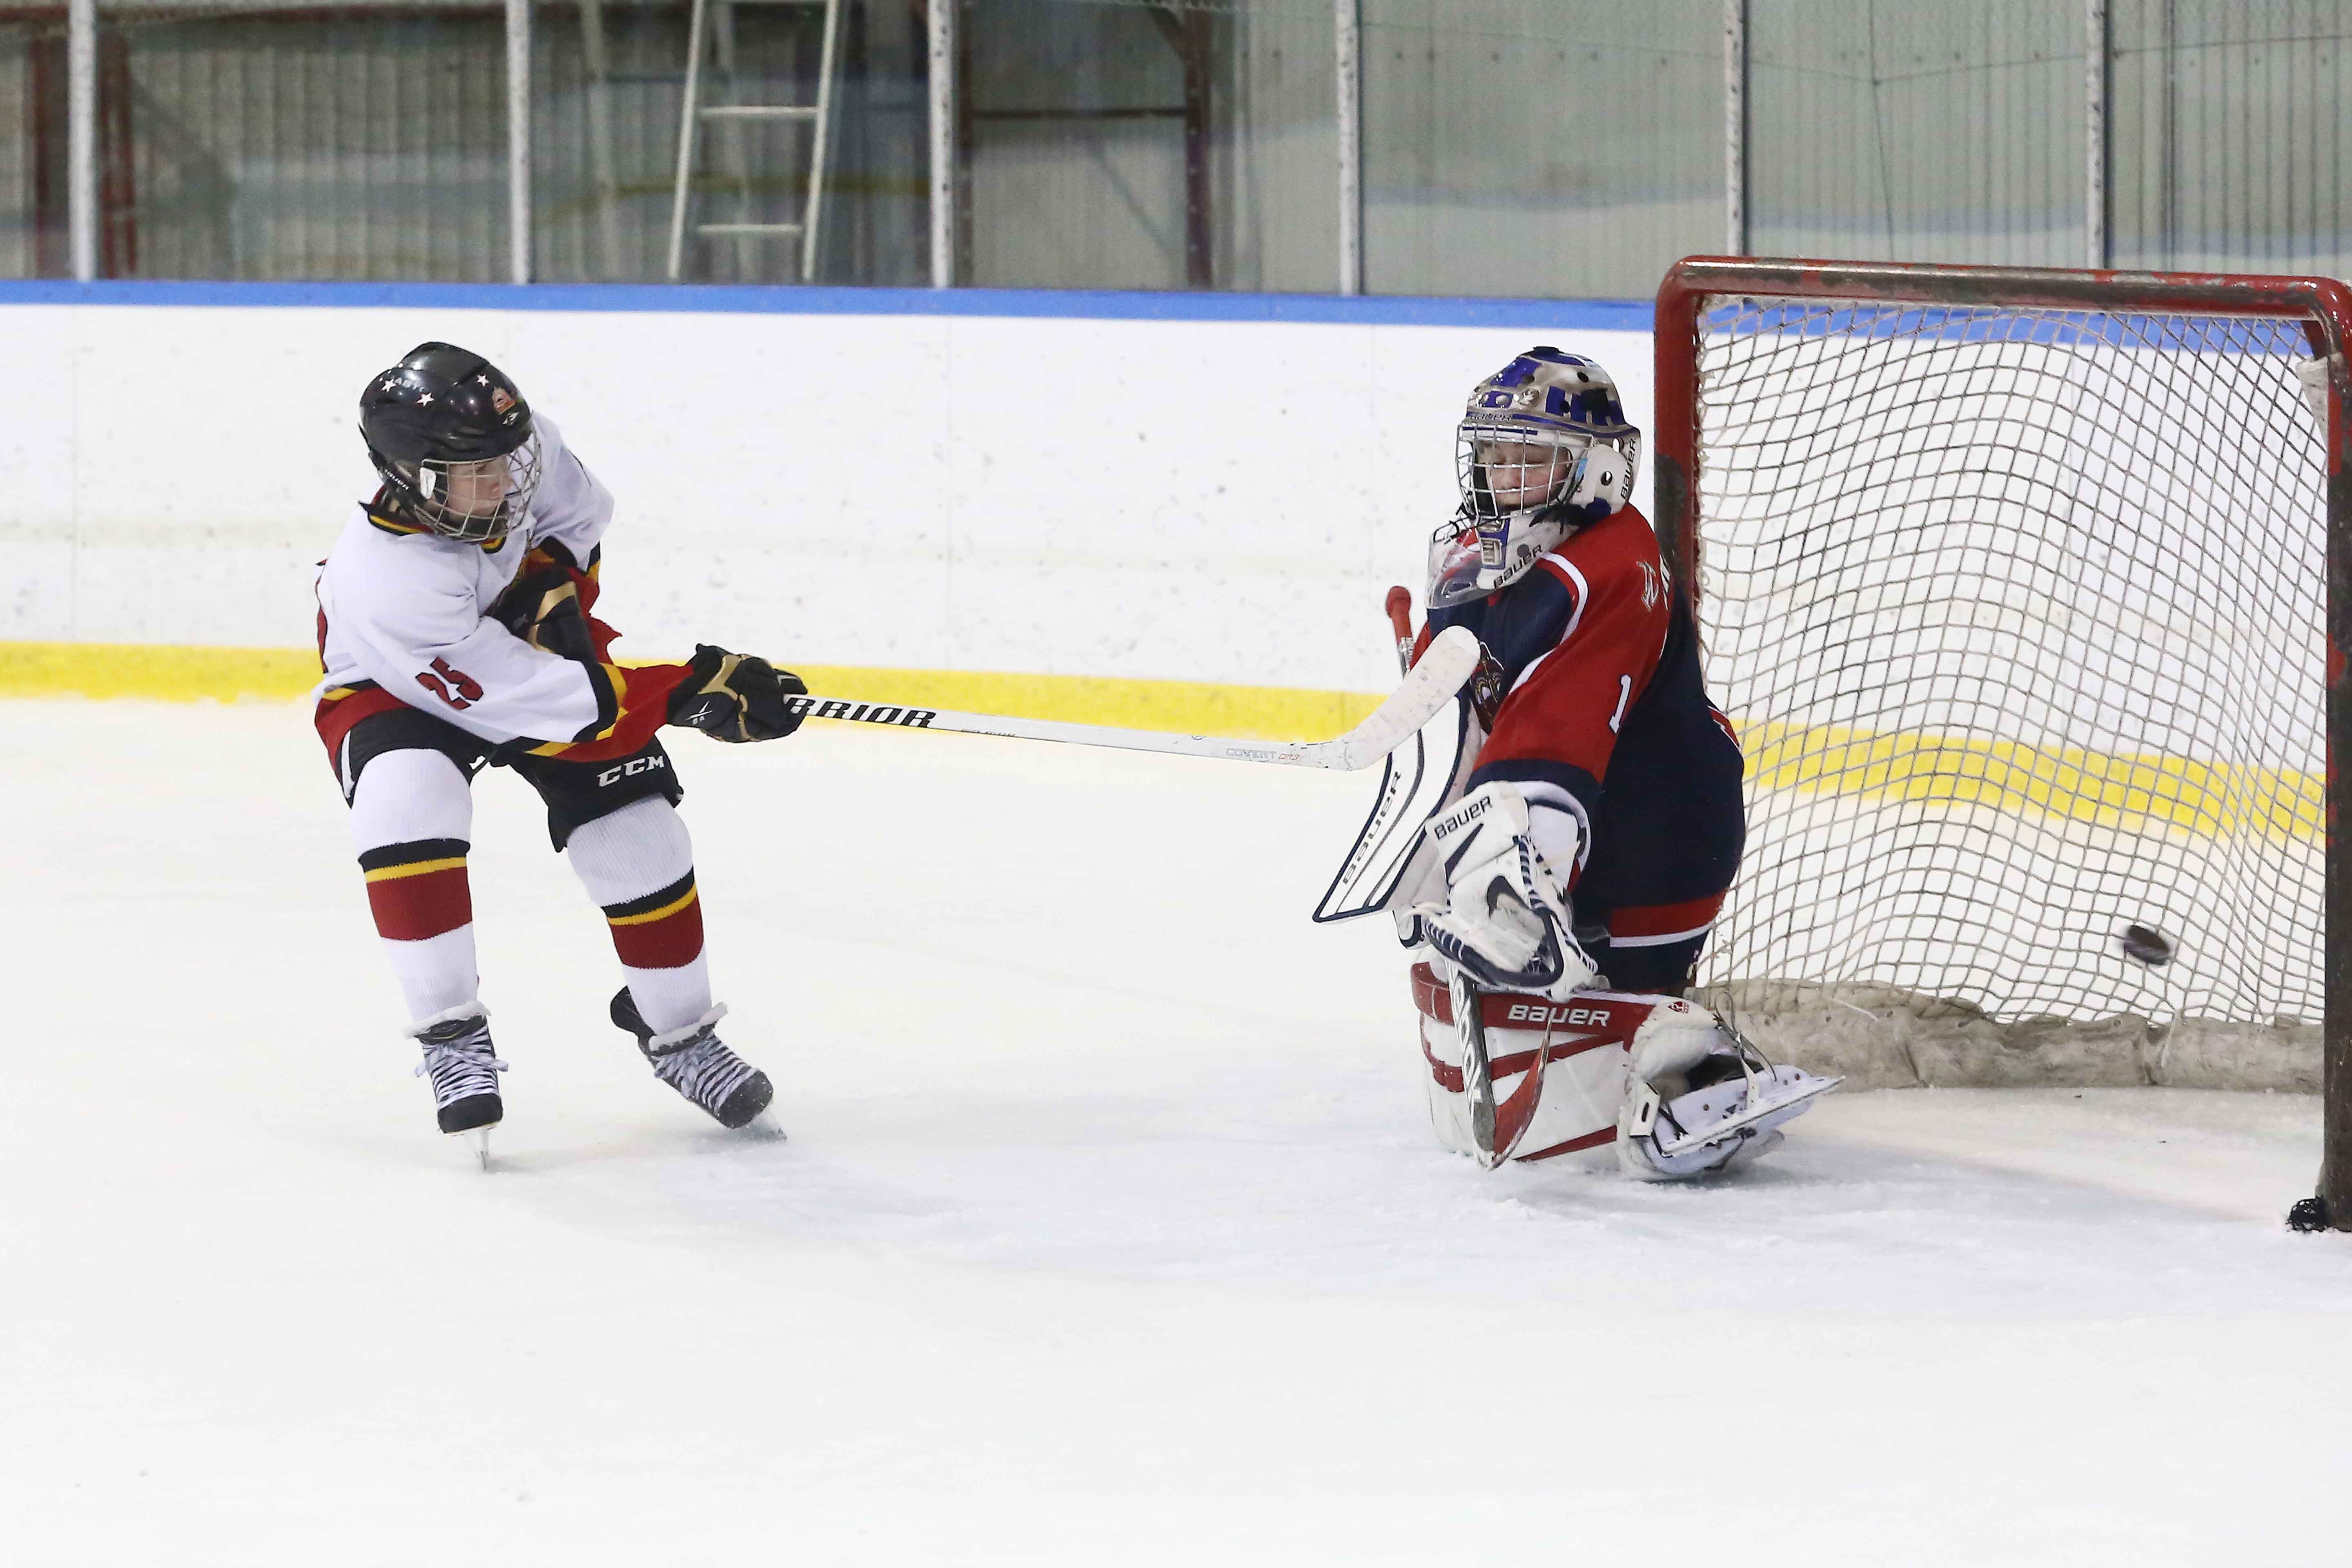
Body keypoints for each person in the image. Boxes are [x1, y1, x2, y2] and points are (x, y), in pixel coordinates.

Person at [313, 342, 805, 1157]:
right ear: (412, 476)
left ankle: (679, 1035)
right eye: (478, 477)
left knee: (640, 832)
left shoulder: (516, 447)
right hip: (398, 681)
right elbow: (541, 702)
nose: (505, 483)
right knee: (406, 799)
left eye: (509, 462)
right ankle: (450, 1037)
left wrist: (552, 582)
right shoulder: (385, 580)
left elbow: (577, 518)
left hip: (510, 654)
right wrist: (690, 687)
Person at [1389, 347, 1836, 1176]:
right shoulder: (1473, 560)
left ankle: (1700, 1078)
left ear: (1593, 471)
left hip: (1655, 833)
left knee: (1614, 1013)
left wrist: (1514, 887)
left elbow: (1558, 729)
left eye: (1532, 457)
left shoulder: (1613, 566)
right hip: (1570, 823)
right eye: (1494, 454)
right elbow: (1472, 718)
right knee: (1524, 998)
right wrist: (1443, 842)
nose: (1505, 475)